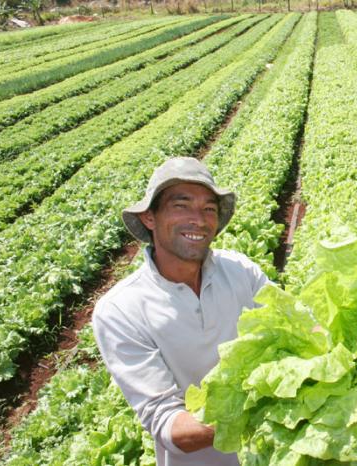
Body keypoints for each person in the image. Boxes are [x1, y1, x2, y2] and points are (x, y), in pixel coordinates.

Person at [92, 157, 269, 466]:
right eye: (181, 205)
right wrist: (267, 405)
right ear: (150, 217)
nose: (198, 220)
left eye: (208, 209)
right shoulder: (121, 310)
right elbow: (171, 426)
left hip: (275, 454)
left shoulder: (242, 271)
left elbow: (298, 329)